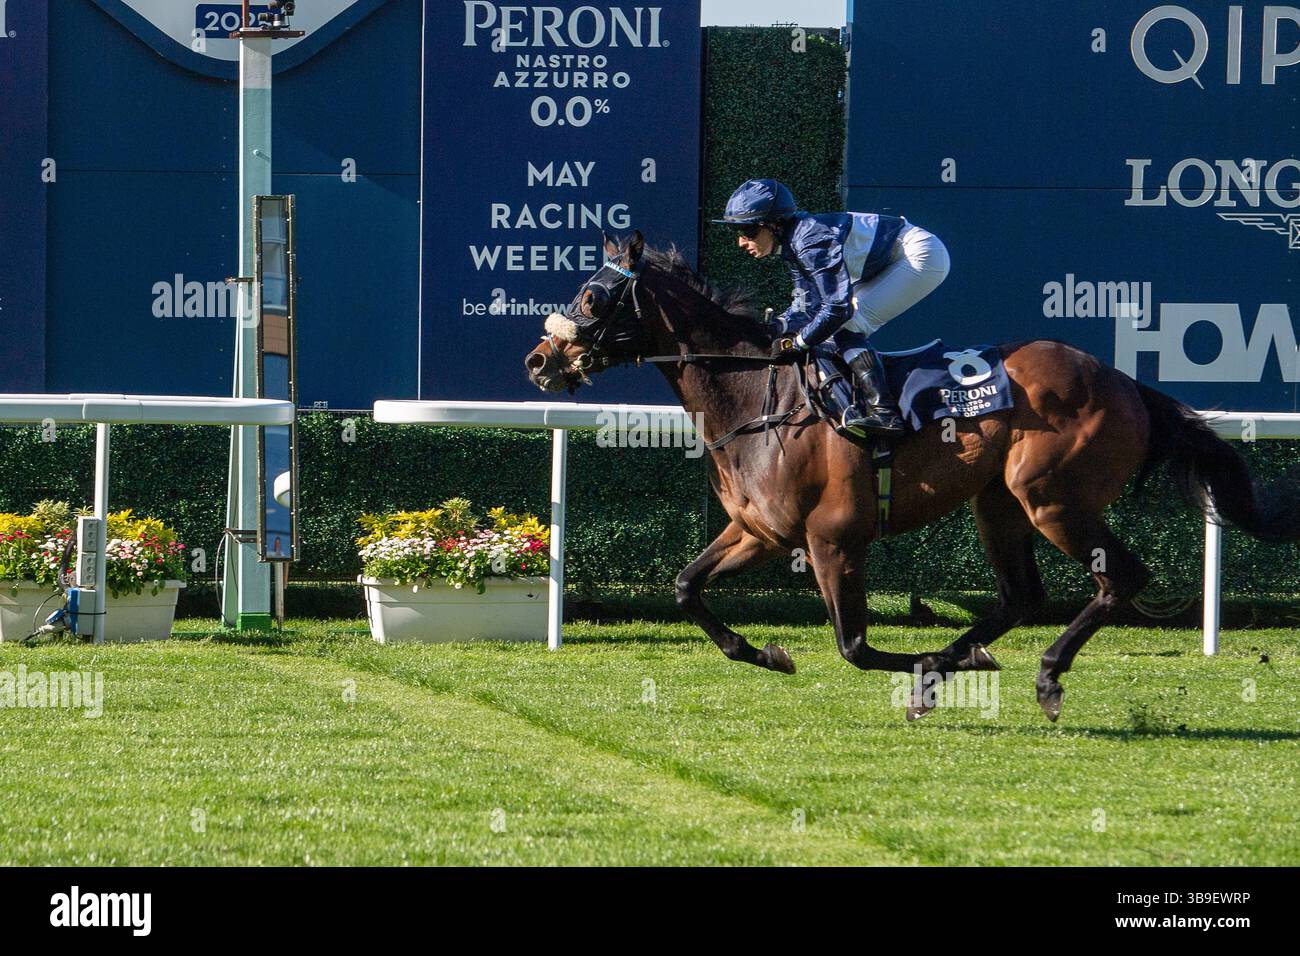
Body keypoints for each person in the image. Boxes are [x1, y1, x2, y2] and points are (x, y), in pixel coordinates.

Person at [713, 178, 950, 438]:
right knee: (832, 329)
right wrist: (774, 327)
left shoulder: (809, 241)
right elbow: (805, 306)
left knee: (846, 325)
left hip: (920, 255)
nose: (741, 242)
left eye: (748, 230)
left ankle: (885, 413)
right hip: (891, 260)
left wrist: (798, 342)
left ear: (775, 224)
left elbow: (837, 308)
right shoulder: (794, 242)